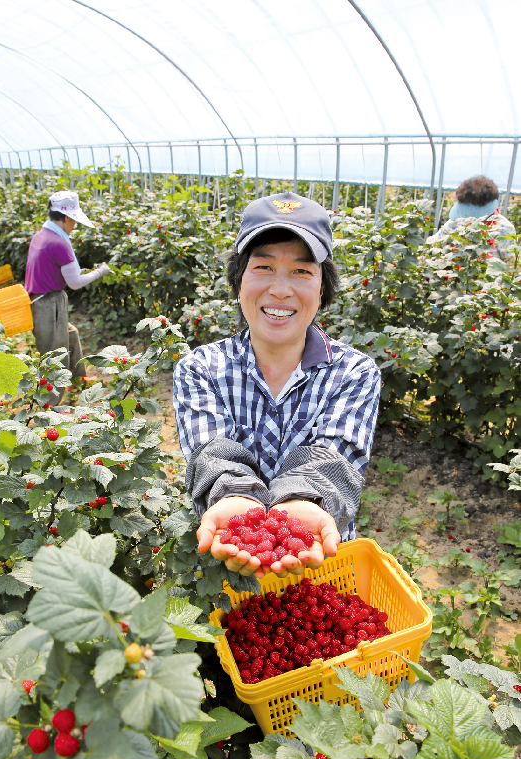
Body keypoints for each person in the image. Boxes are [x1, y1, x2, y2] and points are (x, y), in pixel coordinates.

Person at [173, 192, 382, 580]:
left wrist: (301, 504)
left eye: (302, 272)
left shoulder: (354, 373)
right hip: (228, 569)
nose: (281, 289)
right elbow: (212, 454)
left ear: (322, 288)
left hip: (320, 560)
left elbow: (332, 460)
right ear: (238, 281)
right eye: (263, 267)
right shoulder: (200, 370)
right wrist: (236, 501)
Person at [24, 190, 109, 400]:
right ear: (66, 218)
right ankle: (51, 404)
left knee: (71, 335)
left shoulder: (41, 235)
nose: (75, 226)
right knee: (55, 353)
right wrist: (99, 272)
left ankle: (78, 378)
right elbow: (75, 282)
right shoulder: (59, 243)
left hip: (41, 298)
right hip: (48, 303)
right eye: (74, 221)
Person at [428, 175, 516, 260]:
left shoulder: (503, 228)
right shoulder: (456, 222)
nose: (469, 218)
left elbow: (510, 265)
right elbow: (433, 244)